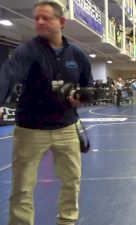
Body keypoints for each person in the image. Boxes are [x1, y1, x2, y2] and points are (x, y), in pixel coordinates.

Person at [0, 1, 93, 225]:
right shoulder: (27, 51)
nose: (39, 22)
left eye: (46, 18)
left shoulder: (77, 54)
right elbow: (7, 75)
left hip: (67, 127)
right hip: (31, 130)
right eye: (37, 18)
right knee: (22, 188)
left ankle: (67, 222)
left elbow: (89, 86)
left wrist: (81, 97)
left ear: (61, 22)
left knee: (72, 182)